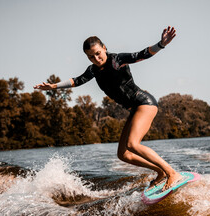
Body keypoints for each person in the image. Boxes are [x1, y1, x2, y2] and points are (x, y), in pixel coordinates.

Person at [34, 26, 182, 191]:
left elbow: (142, 54)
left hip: (144, 103)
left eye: (98, 53)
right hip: (135, 109)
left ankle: (172, 172)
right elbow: (77, 81)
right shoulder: (93, 70)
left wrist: (161, 44)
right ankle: (160, 172)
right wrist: (53, 86)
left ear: (104, 48)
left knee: (133, 144)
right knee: (124, 154)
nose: (96, 58)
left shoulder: (117, 59)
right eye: (91, 57)